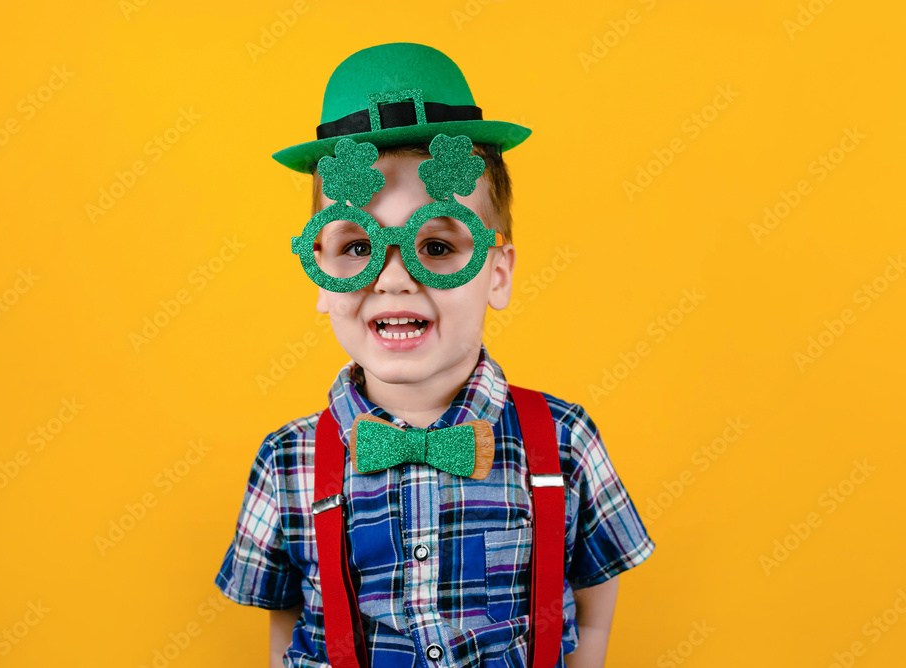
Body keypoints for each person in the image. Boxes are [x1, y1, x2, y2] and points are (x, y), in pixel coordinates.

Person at [214, 42, 655, 668]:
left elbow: (595, 609)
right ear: (319, 275)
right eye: (358, 247)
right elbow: (286, 626)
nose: (394, 279)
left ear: (497, 274)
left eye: (440, 248)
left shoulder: (563, 439)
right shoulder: (288, 460)